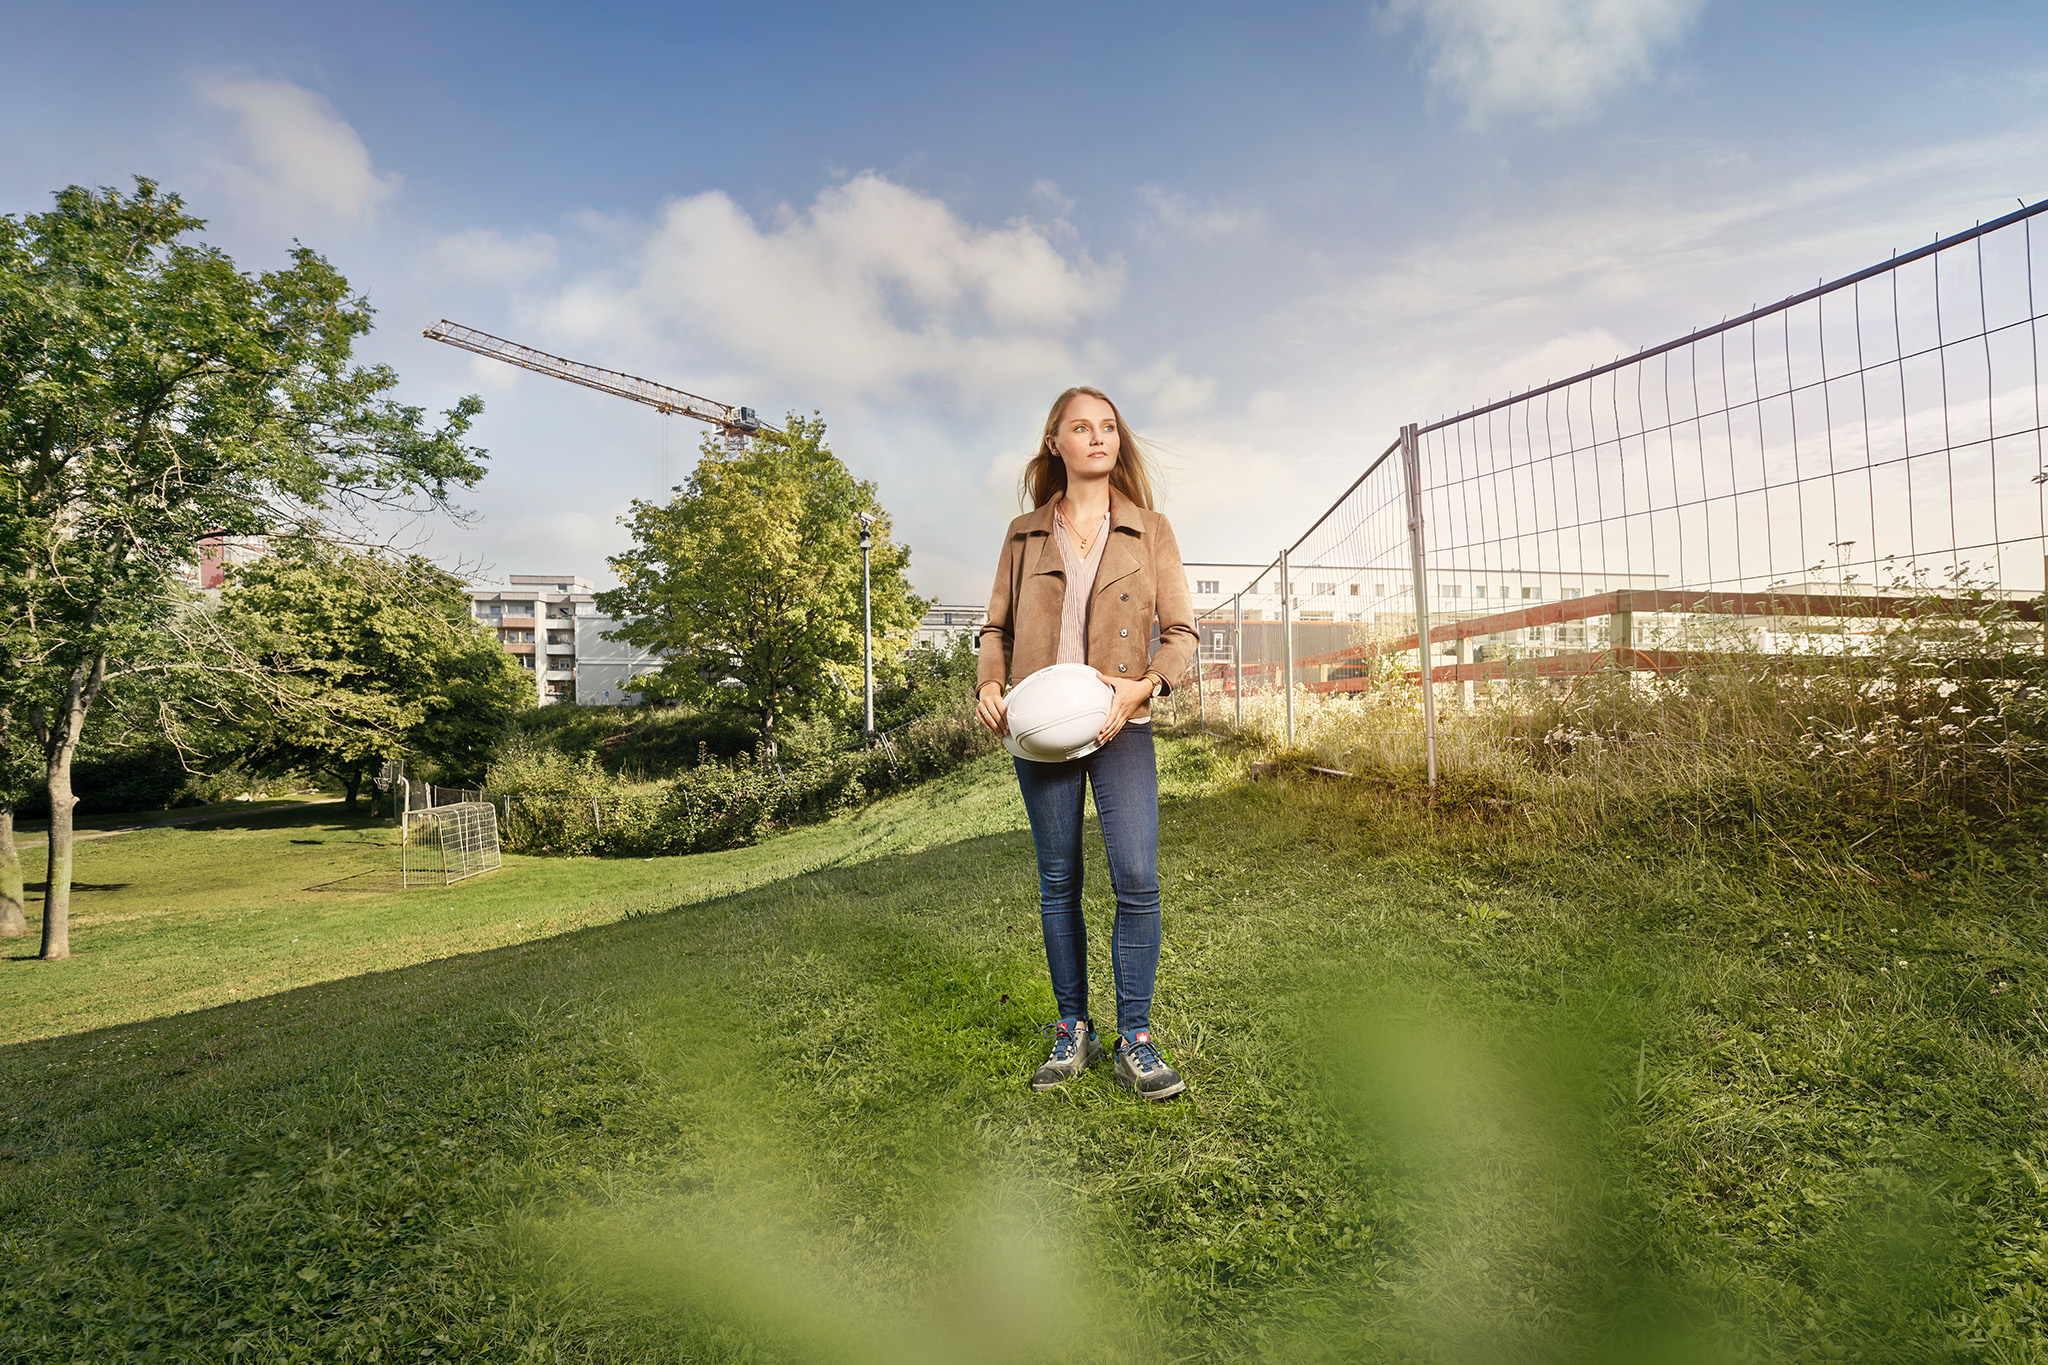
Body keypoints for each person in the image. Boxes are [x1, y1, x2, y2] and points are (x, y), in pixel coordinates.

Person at [975, 386, 1198, 1101]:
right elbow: (994, 630)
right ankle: (1074, 1027)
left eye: (1107, 426)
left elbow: (1184, 633)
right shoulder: (1022, 533)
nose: (1097, 436)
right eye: (1081, 426)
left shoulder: (1151, 529)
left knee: (1137, 876)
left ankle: (1136, 1035)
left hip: (1120, 722)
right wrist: (987, 684)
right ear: (1056, 442)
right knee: (1058, 881)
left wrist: (1148, 686)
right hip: (1040, 731)